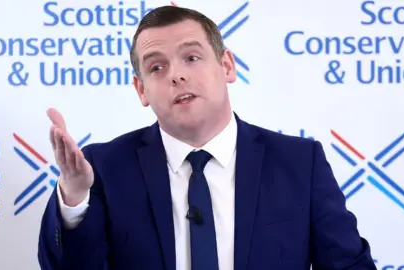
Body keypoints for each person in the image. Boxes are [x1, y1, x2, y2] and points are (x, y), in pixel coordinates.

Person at [37, 5, 377, 270]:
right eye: (157, 67)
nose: (177, 75)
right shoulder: (104, 168)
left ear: (227, 65)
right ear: (141, 90)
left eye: (191, 57)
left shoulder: (300, 163)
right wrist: (75, 198)